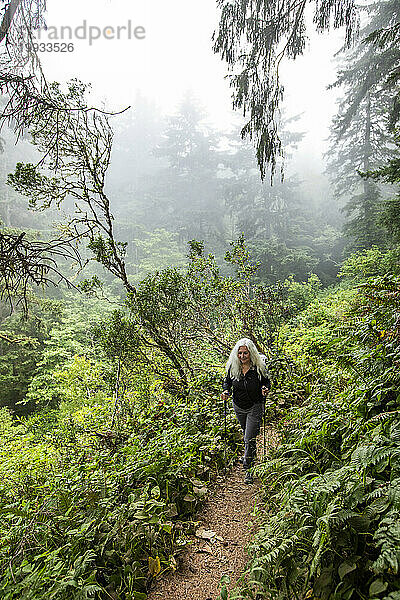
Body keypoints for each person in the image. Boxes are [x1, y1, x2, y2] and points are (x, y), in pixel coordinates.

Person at [221, 338, 270, 484]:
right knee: (246, 434)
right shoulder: (233, 366)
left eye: (245, 353)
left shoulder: (258, 367)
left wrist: (265, 389)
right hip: (238, 406)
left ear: (251, 353)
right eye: (240, 353)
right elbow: (227, 382)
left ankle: (248, 468)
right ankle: (250, 454)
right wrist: (225, 391)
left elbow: (266, 381)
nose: (242, 356)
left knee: (249, 437)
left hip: (255, 406)